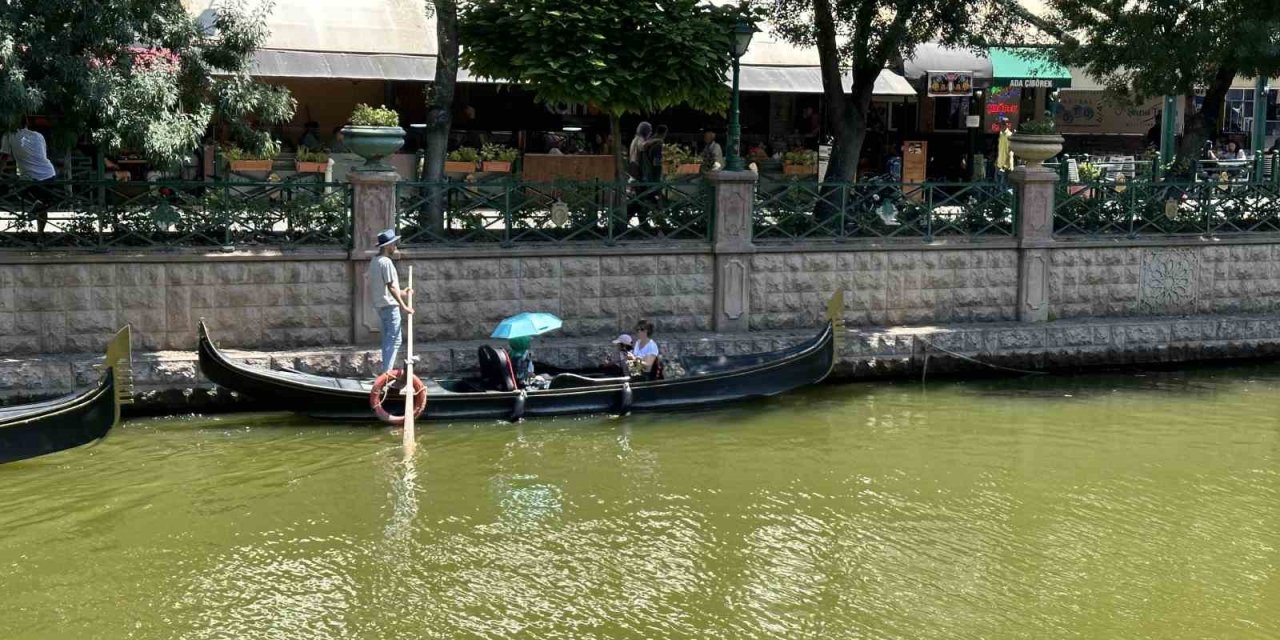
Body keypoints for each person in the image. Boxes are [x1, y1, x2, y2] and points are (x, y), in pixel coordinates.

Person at [1, 119, 57, 234]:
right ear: (26, 124)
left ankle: (38, 205)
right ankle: (40, 234)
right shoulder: (38, 135)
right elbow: (41, 155)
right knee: (43, 204)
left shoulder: (8, 135)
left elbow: (4, 158)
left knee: (18, 190)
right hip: (49, 173)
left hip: (30, 178)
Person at [368, 229, 413, 373]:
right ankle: (387, 373)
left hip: (381, 305)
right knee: (394, 340)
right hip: (389, 306)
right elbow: (391, 287)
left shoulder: (375, 261)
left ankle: (386, 371)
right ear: (388, 246)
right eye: (394, 244)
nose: (395, 246)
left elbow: (389, 288)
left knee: (389, 339)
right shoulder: (386, 262)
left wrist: (403, 292)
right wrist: (404, 306)